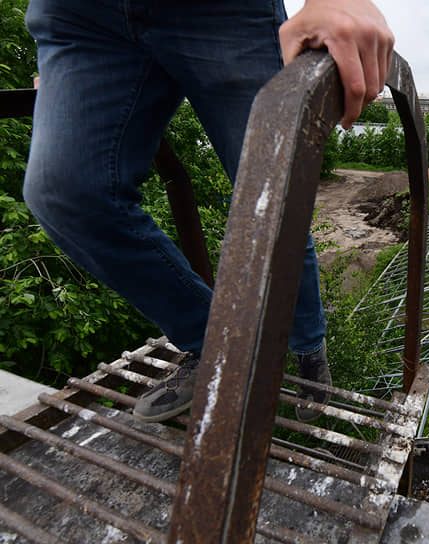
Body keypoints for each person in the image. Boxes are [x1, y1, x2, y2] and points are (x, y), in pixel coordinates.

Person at [22, 0, 394, 423]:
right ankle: (217, 344)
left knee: (274, 203)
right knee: (63, 191)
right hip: (83, 19)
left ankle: (308, 349)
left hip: (224, 13)